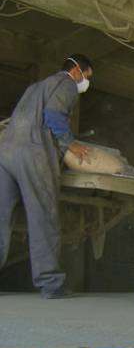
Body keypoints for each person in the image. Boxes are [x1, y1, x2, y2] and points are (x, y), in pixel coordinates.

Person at [0, 54, 93, 298]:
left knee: (1, 218)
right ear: (75, 71)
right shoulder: (65, 84)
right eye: (86, 76)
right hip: (33, 151)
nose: (86, 83)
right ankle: (51, 282)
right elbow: (53, 116)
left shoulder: (35, 87)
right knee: (44, 214)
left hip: (5, 152)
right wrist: (71, 144)